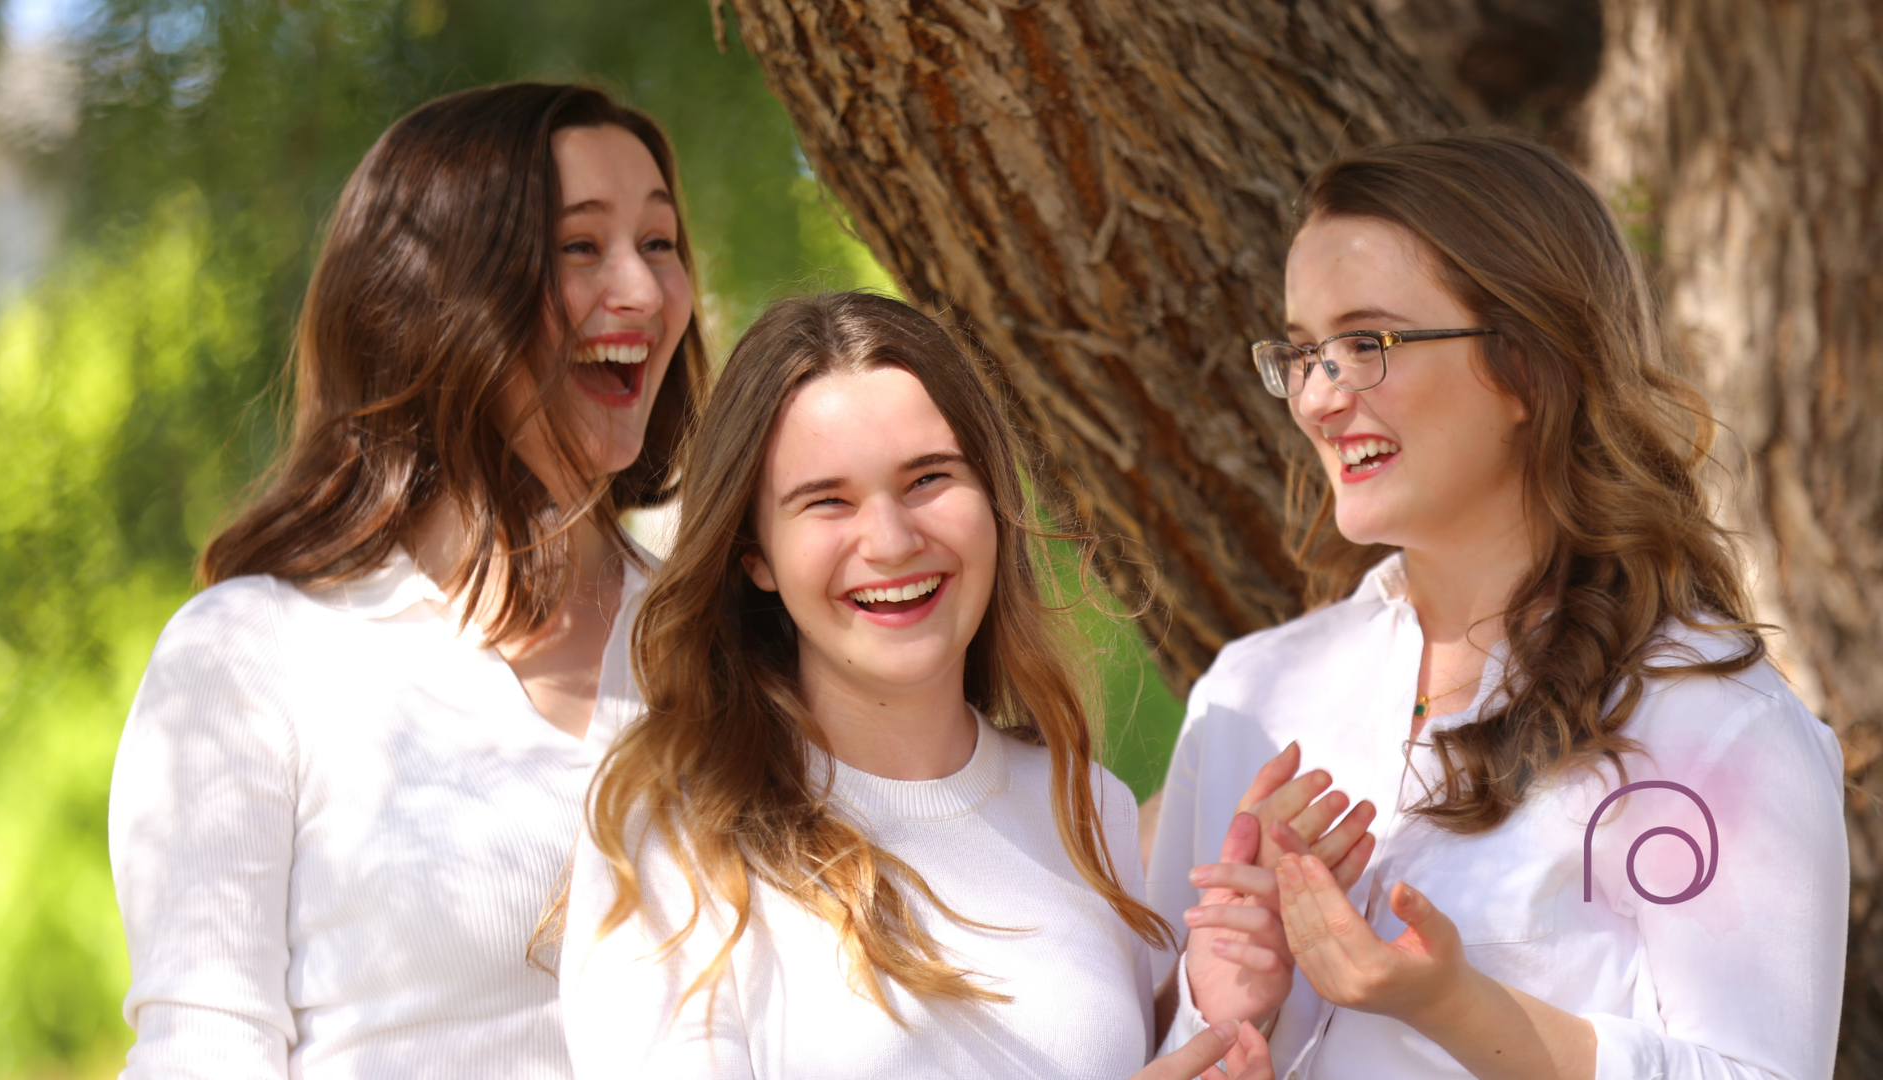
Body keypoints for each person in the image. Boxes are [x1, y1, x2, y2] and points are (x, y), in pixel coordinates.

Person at [1147, 132, 1848, 1080]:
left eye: (1367, 343)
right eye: (1306, 351)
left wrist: (1457, 1005)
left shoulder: (1711, 727)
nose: (1317, 397)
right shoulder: (1252, 697)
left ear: (1527, 364)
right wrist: (1226, 1005)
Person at [107, 82, 707, 1078]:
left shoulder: (722, 635)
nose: (642, 292)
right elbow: (202, 1048)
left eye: (658, 242)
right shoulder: (253, 656)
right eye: (579, 246)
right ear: (442, 295)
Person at [558, 291, 1286, 1080]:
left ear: (995, 502)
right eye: (826, 501)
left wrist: (1214, 1013)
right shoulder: (673, 833)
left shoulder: (1087, 806)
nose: (894, 541)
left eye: (928, 479)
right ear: (754, 554)